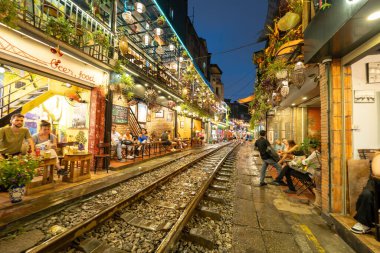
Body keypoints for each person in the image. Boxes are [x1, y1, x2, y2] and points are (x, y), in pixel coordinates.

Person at [351, 153, 380, 234]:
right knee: (367, 194)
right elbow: (377, 172)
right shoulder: (378, 156)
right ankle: (364, 223)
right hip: (376, 185)